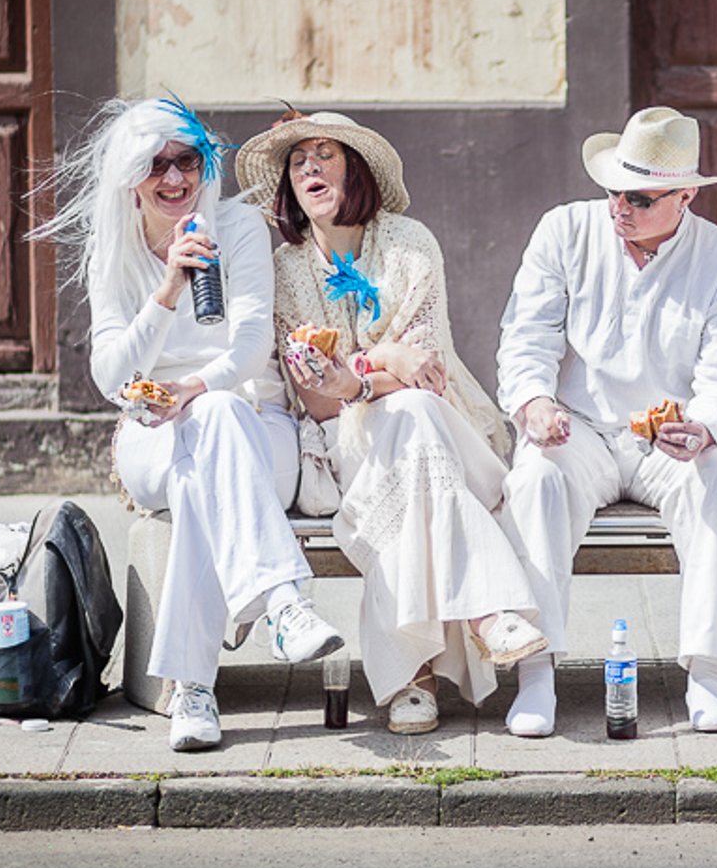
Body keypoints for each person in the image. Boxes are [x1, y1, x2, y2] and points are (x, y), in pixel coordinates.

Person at [31, 96, 343, 752]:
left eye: (187, 160)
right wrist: (169, 286)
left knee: (212, 440)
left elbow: (253, 345)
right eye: (156, 165)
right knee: (202, 439)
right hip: (148, 433)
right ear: (130, 178)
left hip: (255, 421)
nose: (175, 178)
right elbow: (112, 375)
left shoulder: (237, 225)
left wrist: (196, 388)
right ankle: (282, 602)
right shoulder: (114, 250)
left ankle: (194, 691)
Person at [235, 111, 548, 735]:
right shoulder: (289, 269)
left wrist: (360, 378)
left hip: (454, 436)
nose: (311, 169)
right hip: (345, 449)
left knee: (413, 412)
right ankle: (488, 610)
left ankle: (413, 678)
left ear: (357, 169)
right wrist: (378, 363)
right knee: (402, 428)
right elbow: (315, 397)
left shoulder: (409, 245)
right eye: (298, 163)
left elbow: (428, 369)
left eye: (325, 155)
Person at [496, 107, 717, 737]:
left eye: (640, 197)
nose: (621, 206)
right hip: (580, 425)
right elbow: (526, 335)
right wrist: (534, 402)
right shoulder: (564, 229)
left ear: (685, 196)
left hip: (671, 436)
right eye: (614, 189)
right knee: (535, 478)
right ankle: (536, 673)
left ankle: (706, 672)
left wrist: (705, 425)